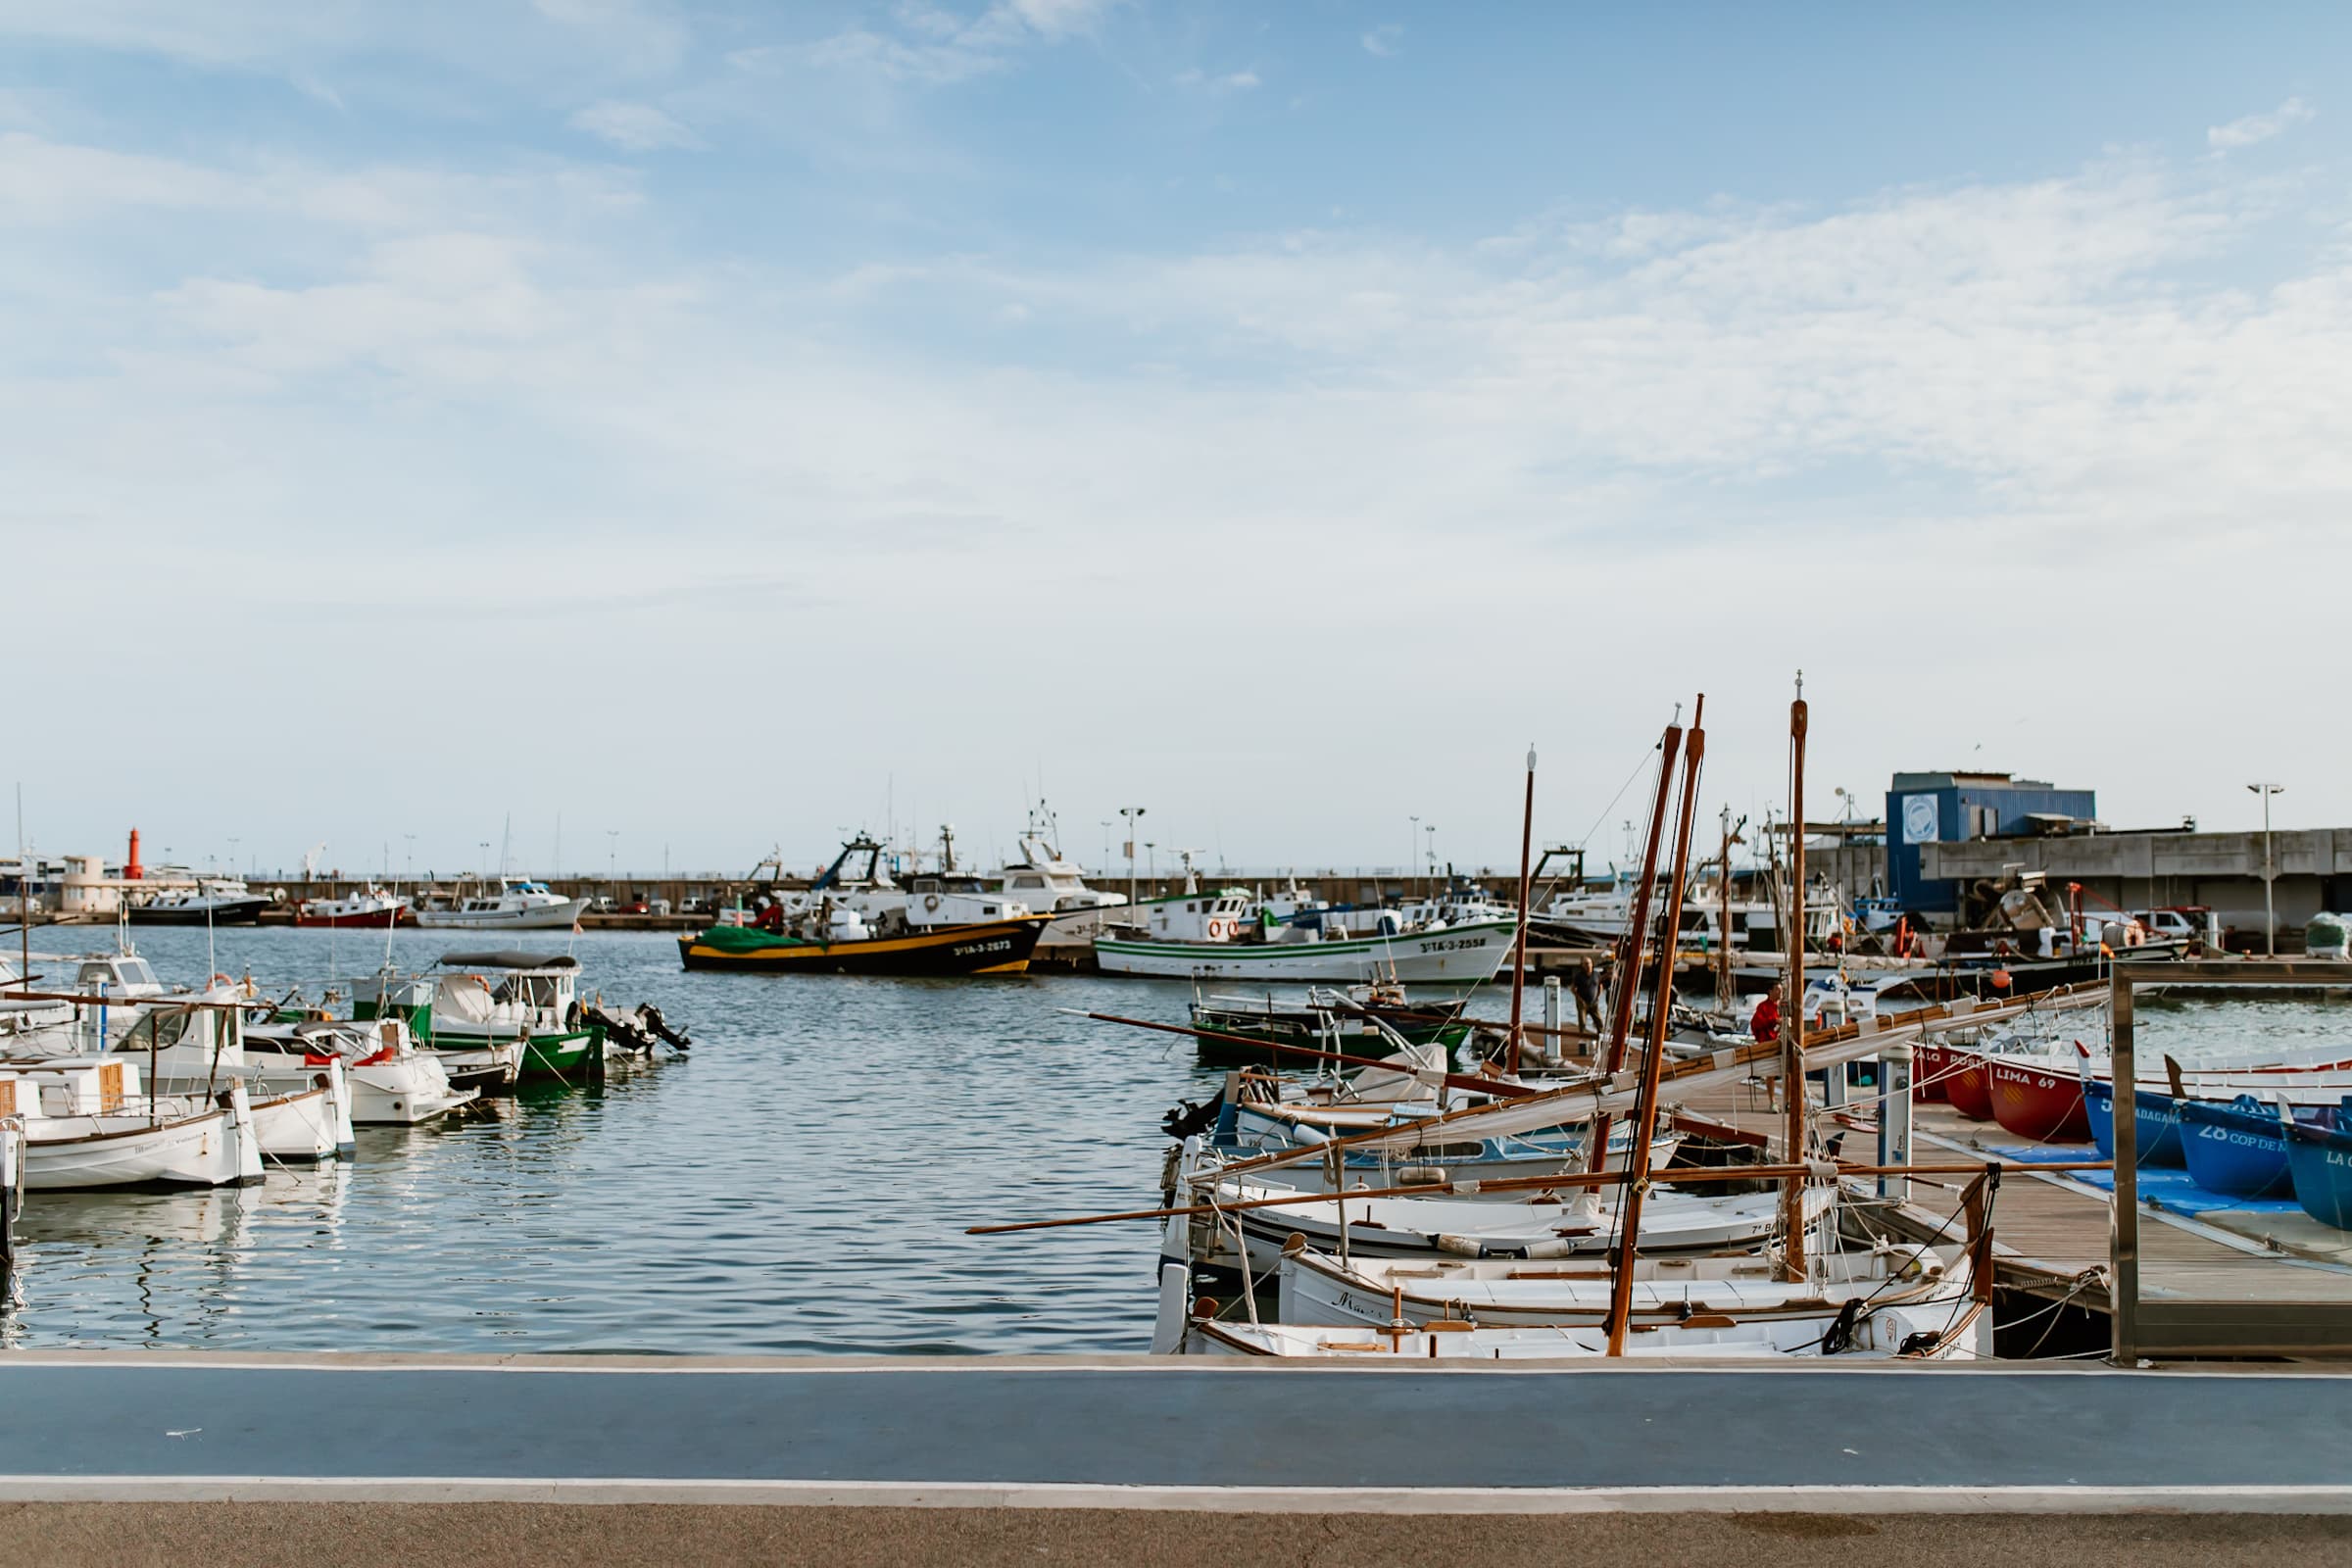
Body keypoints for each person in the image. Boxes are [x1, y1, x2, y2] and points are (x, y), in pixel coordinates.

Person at [1568, 956, 1603, 1033]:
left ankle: (1600, 1037)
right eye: (1586, 964)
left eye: (1589, 963)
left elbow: (1600, 986)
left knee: (1599, 1022)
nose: (1588, 965)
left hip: (1594, 1003)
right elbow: (1573, 989)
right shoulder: (1579, 976)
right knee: (1582, 1023)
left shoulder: (1597, 974)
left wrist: (1597, 997)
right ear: (1583, 965)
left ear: (1592, 964)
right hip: (1583, 1003)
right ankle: (1582, 1037)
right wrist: (1579, 999)